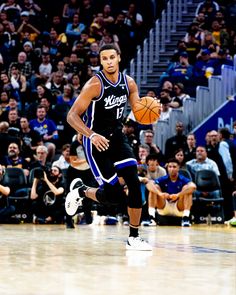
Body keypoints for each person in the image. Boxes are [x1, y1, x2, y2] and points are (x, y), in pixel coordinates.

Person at [65, 44, 158, 250]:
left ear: (119, 58)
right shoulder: (94, 85)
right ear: (101, 61)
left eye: (111, 57)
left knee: (134, 183)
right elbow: (71, 115)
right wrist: (90, 134)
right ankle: (82, 191)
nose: (108, 61)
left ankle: (133, 237)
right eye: (104, 58)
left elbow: (137, 109)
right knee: (114, 196)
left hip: (117, 137)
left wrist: (150, 108)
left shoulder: (129, 83)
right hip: (96, 141)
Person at [146, 158, 196, 226]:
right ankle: (151, 218)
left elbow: (193, 187)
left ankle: (185, 218)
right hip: (164, 206)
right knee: (154, 188)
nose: (172, 169)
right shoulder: (164, 178)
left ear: (178, 168)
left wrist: (178, 195)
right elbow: (148, 184)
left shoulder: (183, 179)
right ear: (167, 168)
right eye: (170, 167)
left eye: (174, 167)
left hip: (178, 206)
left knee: (187, 189)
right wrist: (160, 194)